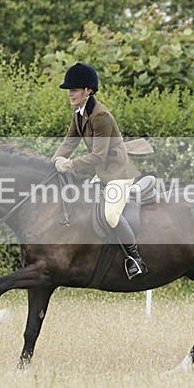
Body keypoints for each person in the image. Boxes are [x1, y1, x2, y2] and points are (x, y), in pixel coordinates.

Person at [52, 63, 148, 278]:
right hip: (104, 173)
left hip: (119, 173)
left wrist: (69, 164)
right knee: (83, 207)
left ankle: (135, 259)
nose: (70, 93)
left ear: (88, 91)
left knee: (110, 215)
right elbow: (69, 143)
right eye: (69, 89)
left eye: (74, 89)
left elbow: (98, 156)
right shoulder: (79, 113)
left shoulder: (101, 116)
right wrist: (52, 163)